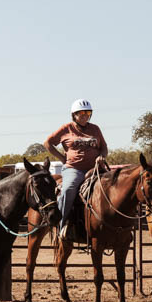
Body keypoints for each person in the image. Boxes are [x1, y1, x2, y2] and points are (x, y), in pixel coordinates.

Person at [44, 99, 108, 237]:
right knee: (68, 189)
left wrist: (102, 156)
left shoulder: (95, 129)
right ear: (74, 115)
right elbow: (48, 143)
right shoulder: (66, 128)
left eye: (87, 112)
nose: (85, 115)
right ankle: (61, 224)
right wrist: (62, 158)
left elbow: (104, 148)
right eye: (81, 113)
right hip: (74, 169)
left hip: (96, 169)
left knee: (115, 186)